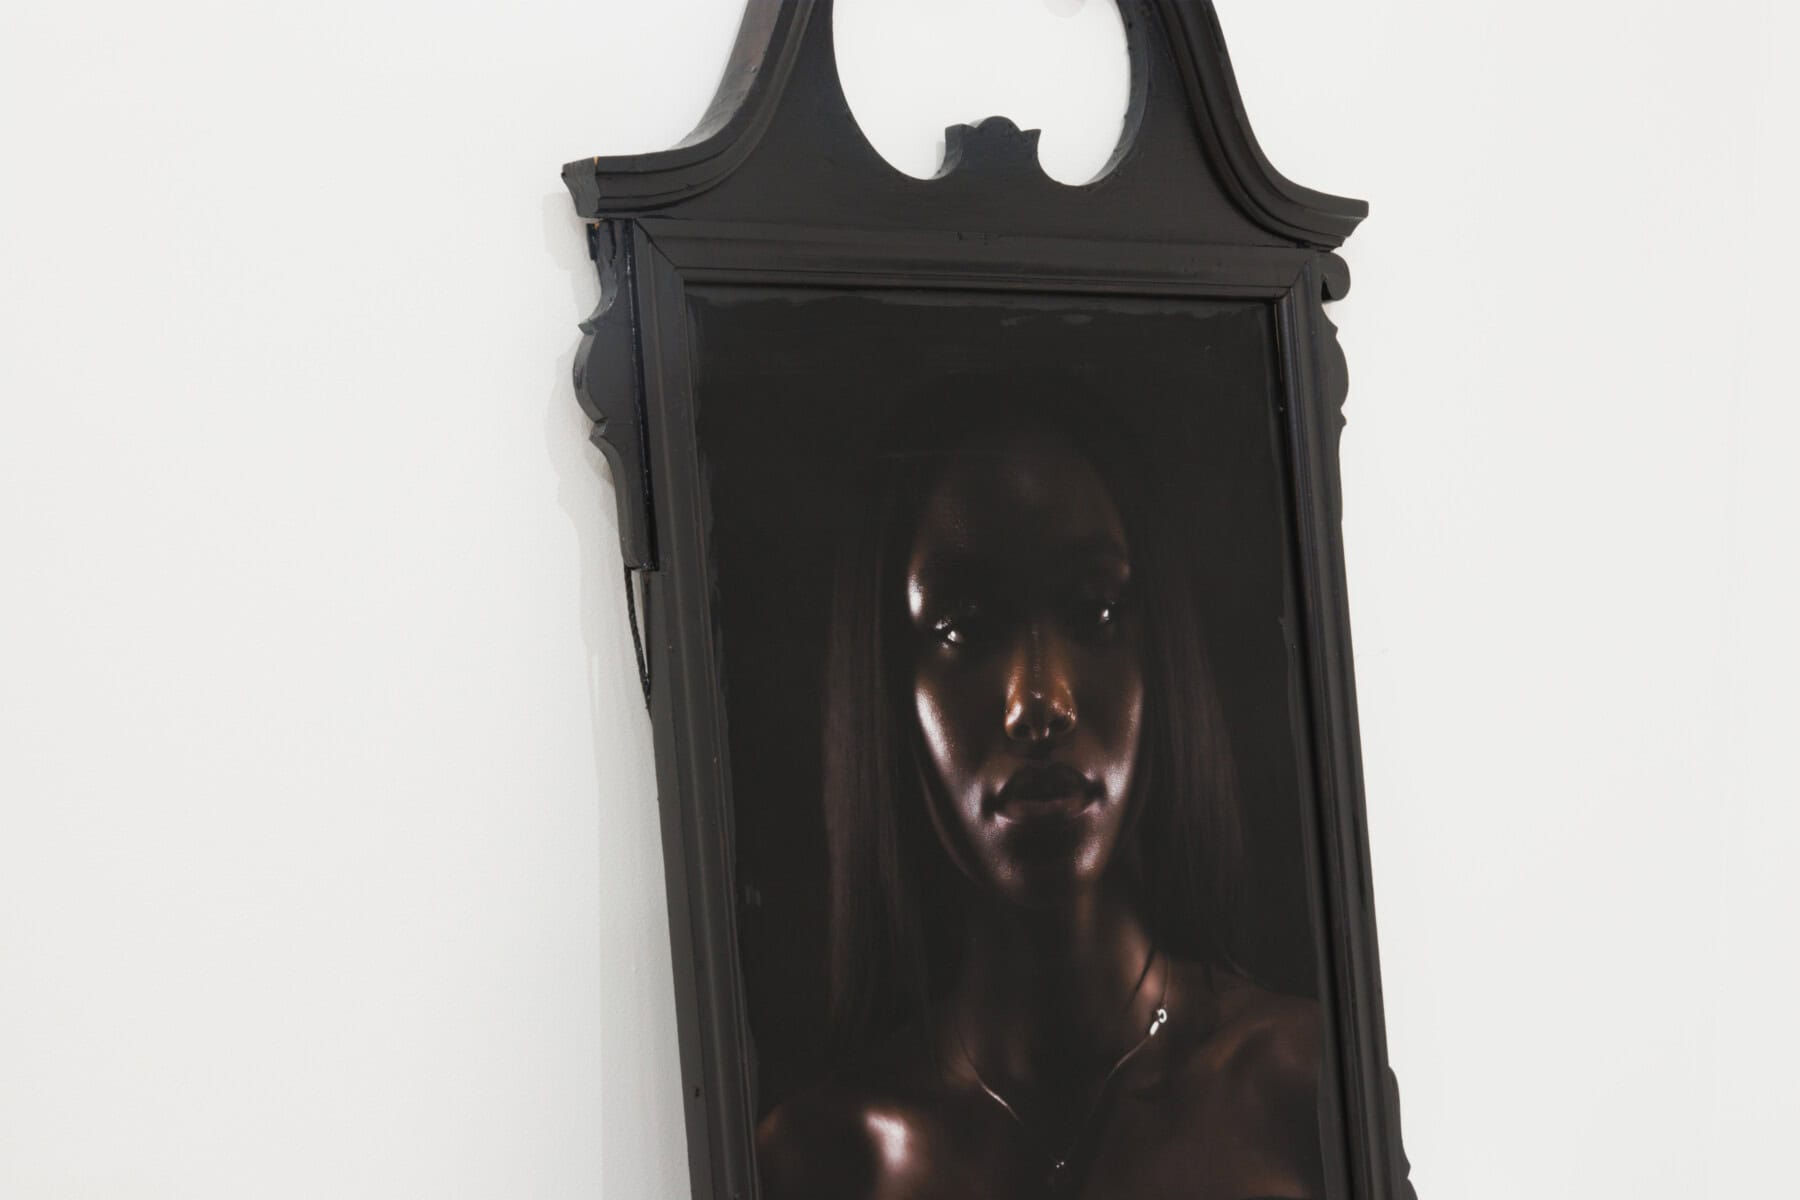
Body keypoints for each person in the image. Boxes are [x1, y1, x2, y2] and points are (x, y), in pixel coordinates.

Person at [756, 390, 1325, 1199]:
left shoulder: (1303, 1085)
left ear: (1157, 652)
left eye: (1096, 611)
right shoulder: (819, 1162)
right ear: (890, 687)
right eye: (964, 627)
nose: (1040, 703)